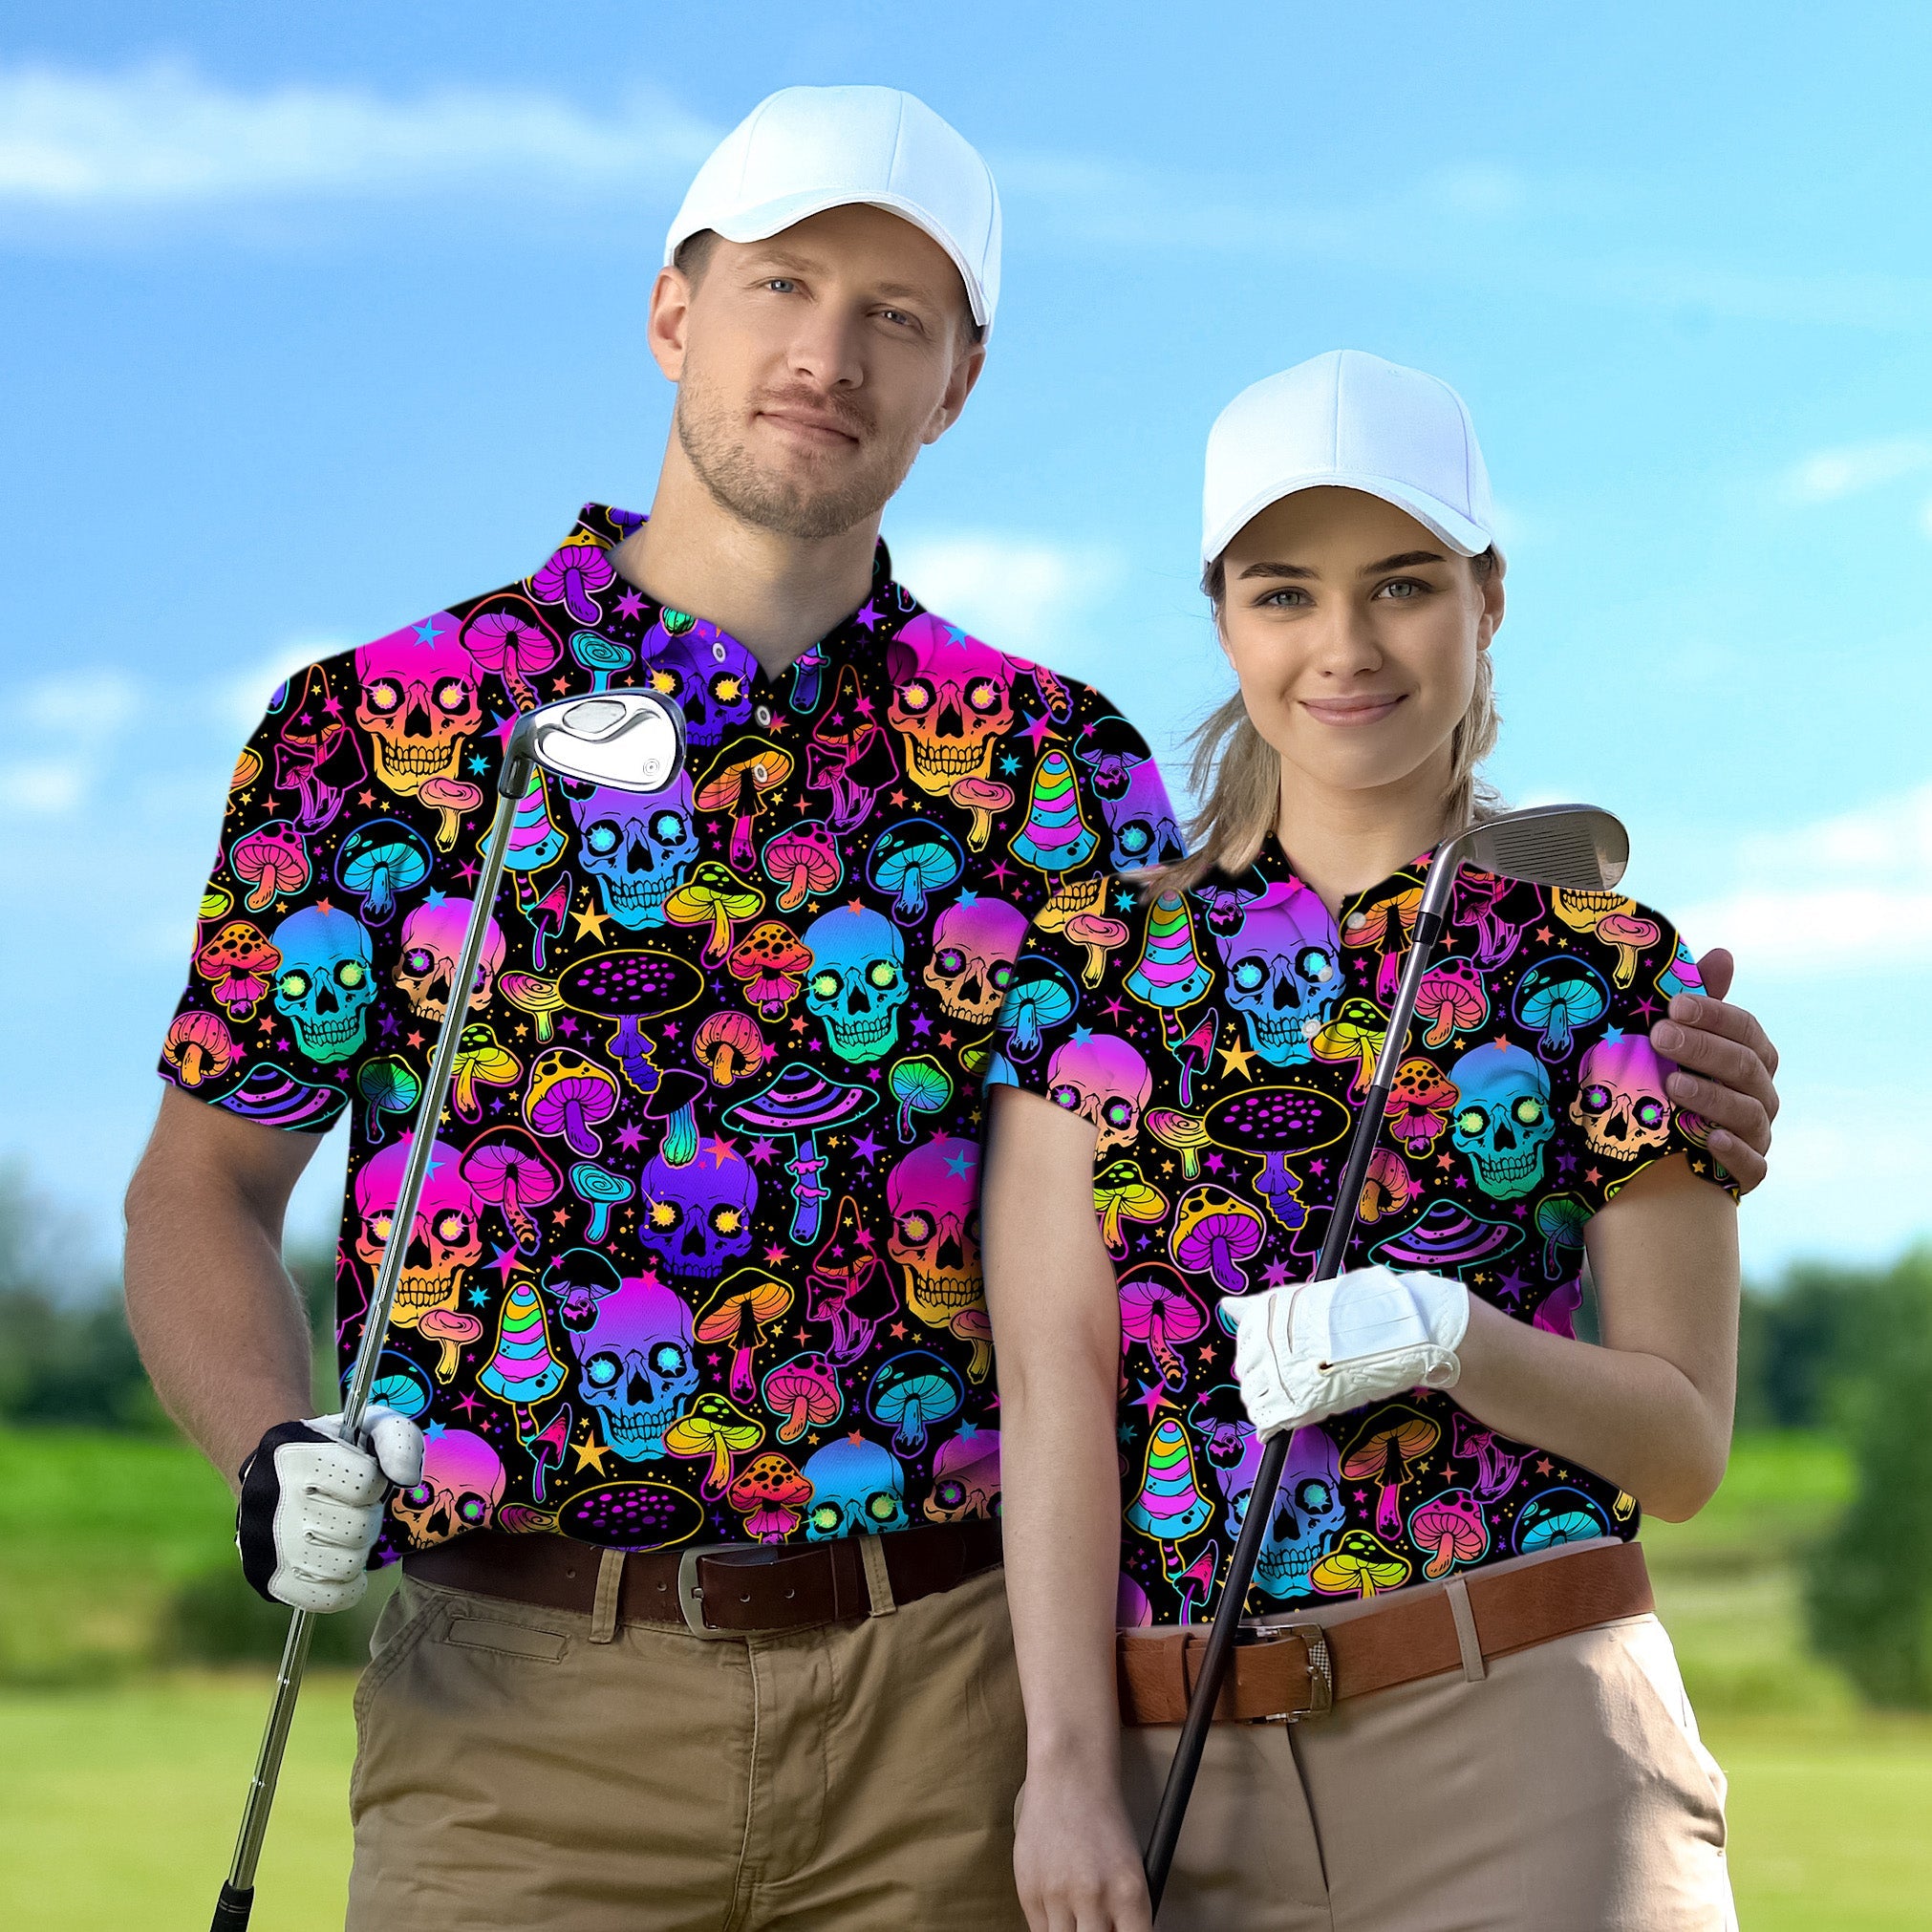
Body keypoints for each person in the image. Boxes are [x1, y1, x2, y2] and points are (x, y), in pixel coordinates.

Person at [118, 80, 1779, 1928]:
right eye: (782, 286)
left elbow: (1286, 1078)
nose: (827, 353)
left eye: (894, 316)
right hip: (517, 1710)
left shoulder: (1053, 769)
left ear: (959, 379)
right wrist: (270, 1448)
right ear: (674, 309)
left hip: (952, 1702)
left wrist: (1642, 1050)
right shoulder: (392, 729)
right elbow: (201, 1186)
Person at [984, 351, 1749, 1931]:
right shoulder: (1087, 983)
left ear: (1485, 599)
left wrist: (1447, 1335)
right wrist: (1062, 1765)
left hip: (1530, 1735)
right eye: (1284, 594)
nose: (1343, 647)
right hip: (1184, 1769)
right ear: (1221, 618)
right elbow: (1057, 1393)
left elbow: (1678, 1448)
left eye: (1400, 584)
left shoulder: (1606, 965)